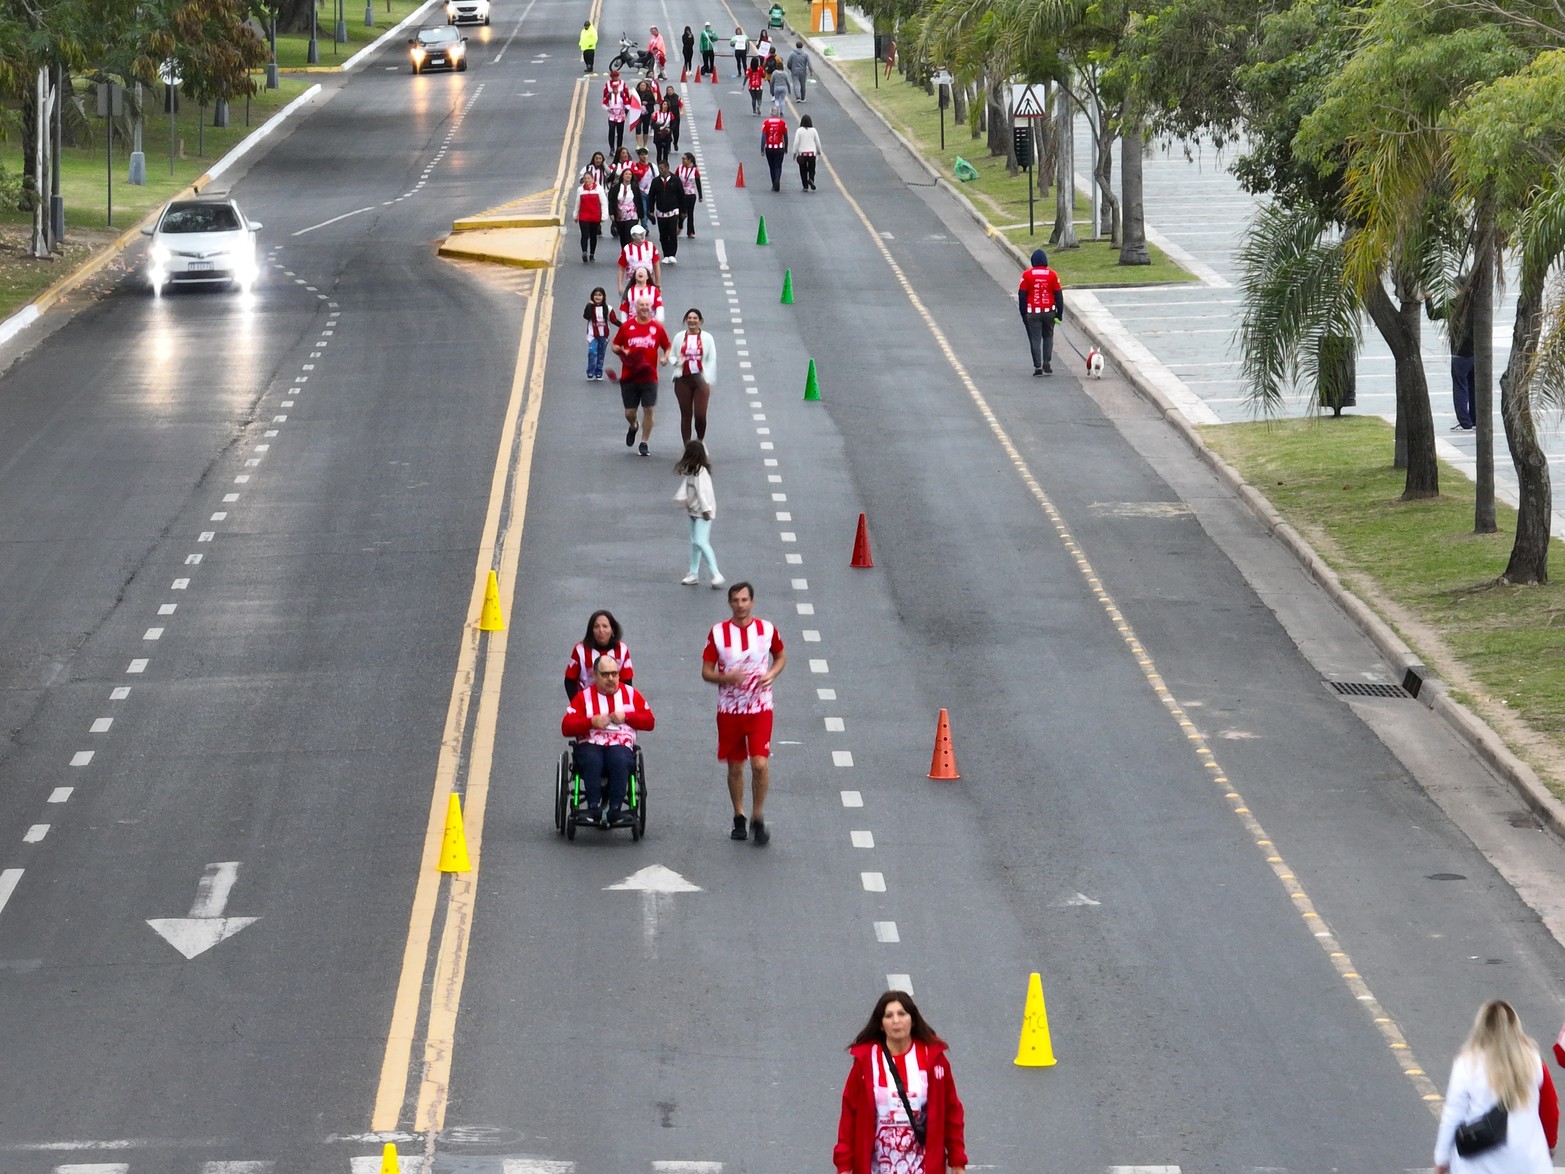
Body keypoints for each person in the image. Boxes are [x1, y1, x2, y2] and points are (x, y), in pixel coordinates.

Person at [834, 991, 968, 1174]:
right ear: (881, 1025)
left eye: (902, 1014)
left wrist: (957, 1161)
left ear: (912, 1020)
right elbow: (849, 1114)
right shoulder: (867, 1061)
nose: (896, 1020)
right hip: (877, 1167)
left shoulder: (933, 1059)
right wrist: (844, 1166)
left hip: (923, 1167)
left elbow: (951, 1111)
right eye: (888, 1016)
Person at [701, 581, 786, 845]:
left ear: (753, 602)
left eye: (744, 600)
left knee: (760, 763)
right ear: (729, 603)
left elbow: (780, 656)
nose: (740, 605)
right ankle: (739, 815)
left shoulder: (766, 630)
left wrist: (770, 674)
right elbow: (706, 671)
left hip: (760, 706)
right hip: (730, 709)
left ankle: (758, 817)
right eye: (735, 600)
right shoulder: (718, 633)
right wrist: (725, 678)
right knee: (735, 765)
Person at [1434, 1000, 1558, 1174]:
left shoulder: (1467, 1063)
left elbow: (1452, 1115)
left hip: (1479, 1164)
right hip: (1528, 1163)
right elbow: (1550, 1109)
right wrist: (1550, 1144)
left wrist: (1441, 1159)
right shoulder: (1533, 1060)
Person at [560, 655, 654, 828]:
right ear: (595, 675)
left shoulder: (631, 694)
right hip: (591, 743)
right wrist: (591, 722)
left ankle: (616, 809)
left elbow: (649, 721)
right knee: (592, 760)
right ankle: (593, 807)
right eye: (605, 674)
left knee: (618, 759)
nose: (611, 678)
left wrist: (627, 717)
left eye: (614, 674)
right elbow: (566, 726)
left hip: (620, 743)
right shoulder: (584, 697)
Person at [612, 297, 671, 456]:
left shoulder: (656, 328)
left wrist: (665, 358)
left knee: (649, 409)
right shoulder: (627, 326)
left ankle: (644, 442)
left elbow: (667, 346)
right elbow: (614, 345)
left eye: (647, 305)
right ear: (635, 308)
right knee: (629, 413)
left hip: (649, 376)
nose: (644, 308)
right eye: (641, 305)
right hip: (629, 376)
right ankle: (633, 426)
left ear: (650, 308)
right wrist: (622, 351)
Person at [673, 441, 722, 589]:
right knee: (695, 543)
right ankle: (693, 573)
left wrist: (706, 510)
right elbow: (686, 487)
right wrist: (682, 498)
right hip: (694, 511)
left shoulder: (701, 473)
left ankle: (716, 573)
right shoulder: (692, 470)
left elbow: (704, 493)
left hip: (702, 513)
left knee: (701, 542)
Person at [563, 610, 635, 699]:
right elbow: (569, 681)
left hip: (615, 701)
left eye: (605, 626)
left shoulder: (622, 649)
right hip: (587, 701)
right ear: (591, 630)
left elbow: (627, 682)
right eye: (596, 626)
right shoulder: (580, 650)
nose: (601, 630)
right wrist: (578, 704)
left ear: (612, 630)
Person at [669, 307, 715, 444]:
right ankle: (688, 446)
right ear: (686, 320)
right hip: (683, 380)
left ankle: (700, 442)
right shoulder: (679, 337)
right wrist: (677, 361)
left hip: (700, 379)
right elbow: (671, 355)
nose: (692, 320)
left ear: (700, 321)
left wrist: (707, 377)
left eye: (695, 318)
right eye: (689, 318)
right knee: (686, 415)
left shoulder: (707, 338)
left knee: (700, 415)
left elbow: (711, 359)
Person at [1017, 248, 1065, 376]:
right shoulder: (1053, 275)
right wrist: (1059, 313)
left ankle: (1038, 366)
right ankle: (1047, 361)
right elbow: (1059, 296)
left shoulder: (1026, 275)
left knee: (1035, 338)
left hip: (1033, 312)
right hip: (1049, 311)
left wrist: (1023, 313)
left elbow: (1022, 296)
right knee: (1048, 336)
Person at [647, 160, 685, 266]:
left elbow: (681, 195)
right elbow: (651, 197)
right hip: (660, 212)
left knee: (672, 233)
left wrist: (683, 211)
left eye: (662, 168)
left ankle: (672, 254)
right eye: (659, 168)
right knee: (663, 235)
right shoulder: (655, 181)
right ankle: (666, 254)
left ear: (667, 168)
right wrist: (651, 211)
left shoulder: (675, 180)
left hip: (673, 212)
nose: (660, 170)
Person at [617, 223, 661, 293]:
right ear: (633, 236)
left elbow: (656, 265)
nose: (642, 236)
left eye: (643, 233)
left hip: (648, 280)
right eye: (639, 234)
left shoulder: (651, 246)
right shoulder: (627, 249)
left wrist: (657, 283)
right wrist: (620, 286)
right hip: (632, 281)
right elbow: (621, 269)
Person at [602, 70, 639, 154]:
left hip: (621, 114)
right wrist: (607, 107)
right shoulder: (608, 86)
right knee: (611, 130)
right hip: (611, 114)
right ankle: (612, 148)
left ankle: (619, 148)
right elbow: (604, 98)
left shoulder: (622, 88)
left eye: (617, 77)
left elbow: (627, 99)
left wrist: (628, 109)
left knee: (620, 132)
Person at [608, 167, 644, 249]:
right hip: (620, 215)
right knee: (622, 235)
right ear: (623, 176)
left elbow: (639, 200)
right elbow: (611, 200)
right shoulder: (617, 187)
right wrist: (611, 213)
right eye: (626, 174)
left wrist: (641, 215)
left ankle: (630, 252)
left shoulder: (634, 187)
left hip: (632, 215)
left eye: (630, 174)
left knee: (629, 234)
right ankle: (624, 252)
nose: (628, 176)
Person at [575, 172, 605, 263]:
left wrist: (603, 216)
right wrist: (576, 214)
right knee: (584, 234)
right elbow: (577, 203)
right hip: (584, 216)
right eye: (585, 179)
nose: (587, 180)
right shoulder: (580, 190)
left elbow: (604, 203)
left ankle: (592, 254)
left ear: (592, 179)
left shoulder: (599, 189)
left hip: (595, 216)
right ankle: (584, 252)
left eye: (589, 178)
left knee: (593, 236)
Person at [583, 286, 611, 381]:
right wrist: (589, 305)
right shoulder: (590, 307)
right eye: (595, 295)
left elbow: (614, 320)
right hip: (592, 335)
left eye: (600, 295)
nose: (598, 297)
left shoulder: (608, 308)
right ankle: (590, 371)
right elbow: (586, 316)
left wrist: (624, 326)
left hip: (604, 335)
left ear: (603, 297)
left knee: (601, 354)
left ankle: (599, 372)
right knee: (592, 352)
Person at [761, 104, 789, 192]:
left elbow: (763, 137)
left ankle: (774, 183)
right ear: (778, 114)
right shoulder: (782, 123)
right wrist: (786, 147)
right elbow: (785, 136)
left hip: (769, 147)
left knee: (771, 166)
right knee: (778, 166)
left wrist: (762, 149)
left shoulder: (766, 123)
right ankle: (777, 180)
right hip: (779, 147)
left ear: (770, 113)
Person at [676, 152, 704, 237]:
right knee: (681, 212)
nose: (683, 160)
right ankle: (680, 225)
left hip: (691, 194)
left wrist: (700, 196)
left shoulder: (695, 170)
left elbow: (698, 182)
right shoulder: (679, 168)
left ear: (689, 160)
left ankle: (690, 231)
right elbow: (675, 179)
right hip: (681, 194)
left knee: (690, 213)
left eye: (684, 159)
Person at [794, 114, 821, 191]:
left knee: (803, 170)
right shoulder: (814, 130)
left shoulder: (799, 131)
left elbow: (796, 143)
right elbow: (817, 142)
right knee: (812, 168)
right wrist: (819, 151)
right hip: (812, 154)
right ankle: (811, 179)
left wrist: (794, 153)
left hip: (802, 154)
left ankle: (805, 186)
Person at [634, 78, 659, 150]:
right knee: (638, 128)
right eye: (641, 85)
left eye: (644, 85)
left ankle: (645, 145)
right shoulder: (636, 93)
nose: (642, 87)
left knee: (645, 129)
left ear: (646, 87)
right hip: (638, 114)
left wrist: (647, 103)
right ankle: (638, 144)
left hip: (646, 113)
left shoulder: (649, 93)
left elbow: (653, 102)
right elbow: (632, 102)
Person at [651, 98, 675, 167]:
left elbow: (674, 124)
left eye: (667, 105)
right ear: (661, 105)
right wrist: (659, 128)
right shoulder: (657, 114)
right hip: (658, 135)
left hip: (666, 135)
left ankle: (665, 166)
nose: (665, 106)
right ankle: (659, 166)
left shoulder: (670, 114)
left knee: (665, 153)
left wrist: (669, 129)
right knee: (659, 152)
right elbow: (652, 124)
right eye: (664, 104)